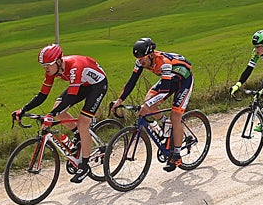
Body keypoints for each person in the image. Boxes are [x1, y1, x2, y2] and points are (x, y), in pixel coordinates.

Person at [12, 44, 109, 183]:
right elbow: (42, 95)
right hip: (83, 84)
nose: (46, 68)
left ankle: (85, 165)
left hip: (97, 85)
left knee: (83, 124)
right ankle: (78, 135)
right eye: (43, 65)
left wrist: (50, 115)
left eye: (48, 65)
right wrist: (23, 109)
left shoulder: (75, 66)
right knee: (58, 110)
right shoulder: (52, 70)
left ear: (58, 61)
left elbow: (71, 96)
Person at [110, 38, 193, 172]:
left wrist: (147, 105)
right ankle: (165, 124)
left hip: (184, 81)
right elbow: (132, 82)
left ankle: (177, 155)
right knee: (148, 102)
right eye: (138, 59)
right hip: (170, 78)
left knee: (175, 117)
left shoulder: (164, 63)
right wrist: (120, 100)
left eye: (143, 59)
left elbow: (164, 91)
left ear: (151, 54)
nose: (140, 62)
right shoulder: (140, 62)